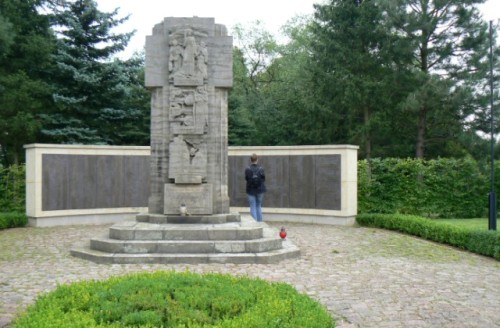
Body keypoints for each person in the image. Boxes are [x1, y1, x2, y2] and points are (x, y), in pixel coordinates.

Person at [245, 153, 267, 222]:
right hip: (260, 190)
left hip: (250, 190)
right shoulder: (261, 169)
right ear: (257, 159)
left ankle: (254, 223)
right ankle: (260, 222)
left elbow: (246, 179)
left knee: (253, 206)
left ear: (250, 160)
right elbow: (263, 179)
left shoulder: (247, 169)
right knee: (258, 206)